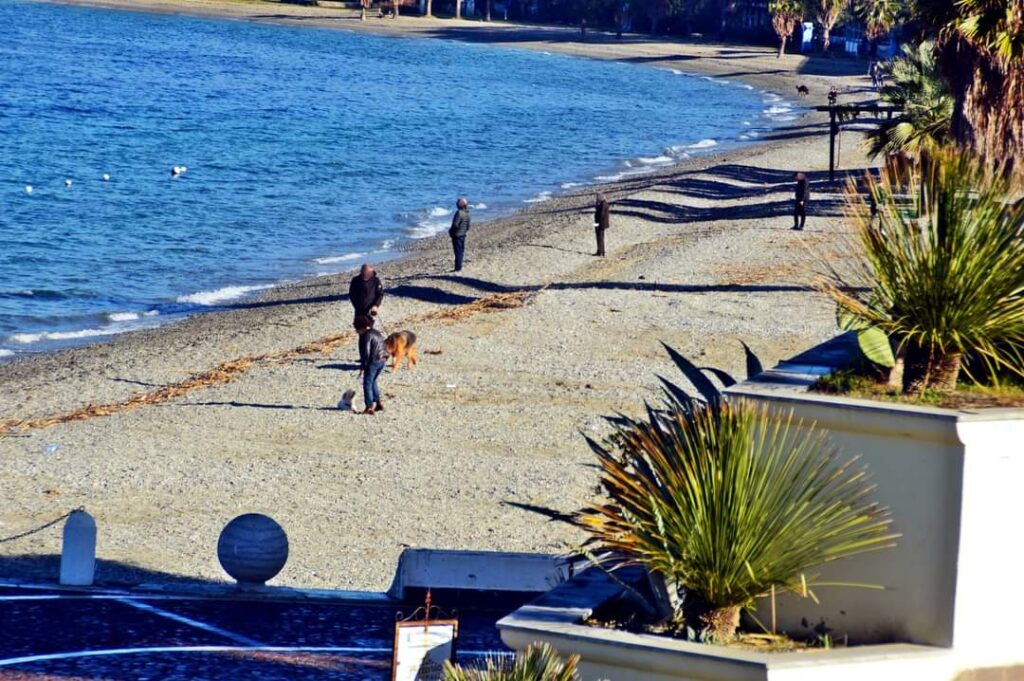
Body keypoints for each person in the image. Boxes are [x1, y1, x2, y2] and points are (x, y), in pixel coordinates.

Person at [355, 314, 387, 415]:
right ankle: (378, 402)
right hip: (382, 360)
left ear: (361, 327)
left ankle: (369, 407)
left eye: (357, 329)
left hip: (374, 361)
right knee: (373, 381)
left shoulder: (366, 335)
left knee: (367, 383)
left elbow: (366, 353)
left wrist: (363, 367)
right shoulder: (377, 332)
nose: (357, 331)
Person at [449, 197, 471, 272]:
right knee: (461, 251)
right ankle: (459, 267)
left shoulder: (459, 213)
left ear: (459, 205)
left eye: (457, 203)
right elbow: (468, 226)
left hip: (457, 235)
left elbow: (455, 225)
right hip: (463, 235)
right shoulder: (467, 213)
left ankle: (458, 268)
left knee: (457, 252)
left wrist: (451, 232)